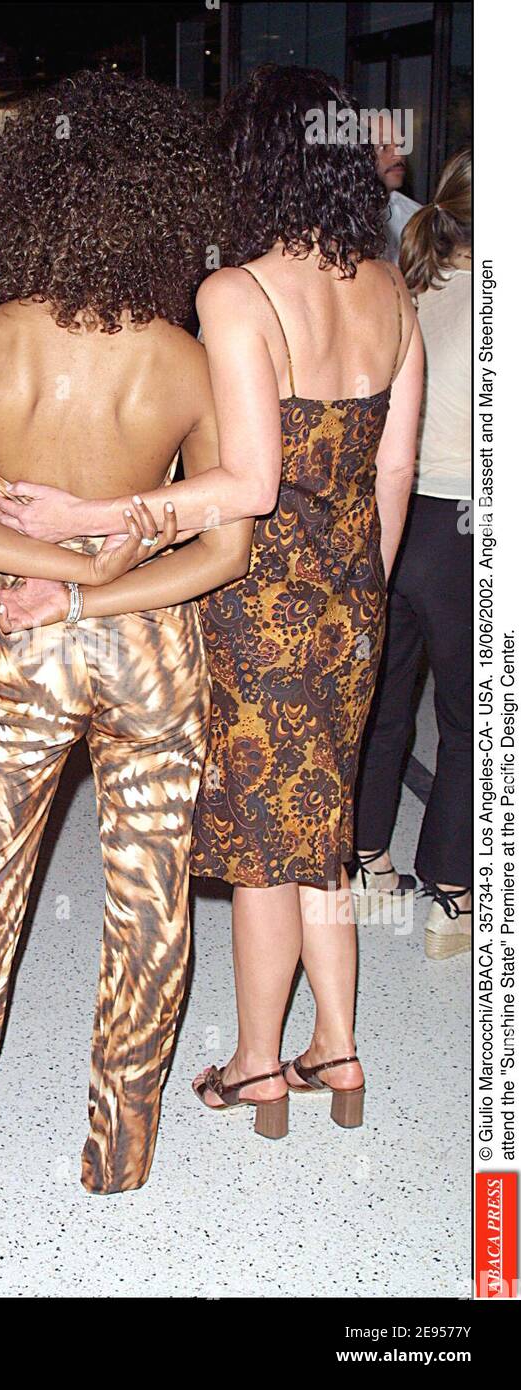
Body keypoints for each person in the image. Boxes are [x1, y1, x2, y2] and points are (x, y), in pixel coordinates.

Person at [0, 64, 424, 1136]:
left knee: (262, 854)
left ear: (254, 164)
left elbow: (249, 484)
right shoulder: (389, 289)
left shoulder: (238, 292)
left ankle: (256, 1065)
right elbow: (392, 475)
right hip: (349, 602)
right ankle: (339, 1048)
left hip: (254, 602)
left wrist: (100, 514)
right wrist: (354, 593)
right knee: (316, 833)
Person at [0, 69, 254, 1194]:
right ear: (163, 205)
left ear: (33, 196)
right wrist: (97, 573)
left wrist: (48, 583)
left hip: (20, 652)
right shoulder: (183, 359)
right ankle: (118, 1152)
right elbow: (222, 546)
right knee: (150, 902)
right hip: (149, 647)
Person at [353, 148, 472, 959]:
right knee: (475, 719)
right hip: (469, 525)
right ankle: (452, 899)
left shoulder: (404, 283)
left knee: (384, 702)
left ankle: (368, 868)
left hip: (392, 514)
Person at [375, 113, 422, 264]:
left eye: (401, 146)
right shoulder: (338, 218)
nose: (399, 155)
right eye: (384, 147)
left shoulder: (416, 218)